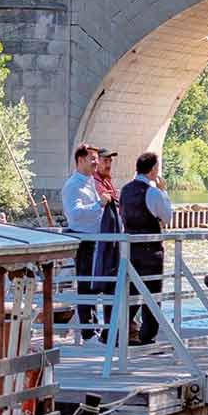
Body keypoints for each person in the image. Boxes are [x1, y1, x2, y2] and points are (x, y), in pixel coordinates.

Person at [118, 151, 172, 345]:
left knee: (130, 291)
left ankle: (119, 331)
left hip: (129, 249)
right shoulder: (153, 192)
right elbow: (167, 217)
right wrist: (164, 191)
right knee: (152, 292)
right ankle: (147, 335)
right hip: (151, 251)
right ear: (153, 170)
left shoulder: (124, 191)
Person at [61, 144, 113, 339]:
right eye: (92, 159)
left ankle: (98, 327)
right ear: (80, 160)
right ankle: (88, 332)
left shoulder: (91, 181)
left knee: (98, 284)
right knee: (85, 285)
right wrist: (98, 204)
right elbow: (74, 214)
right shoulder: (73, 185)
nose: (96, 162)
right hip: (84, 241)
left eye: (96, 159)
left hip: (98, 240)